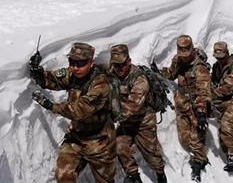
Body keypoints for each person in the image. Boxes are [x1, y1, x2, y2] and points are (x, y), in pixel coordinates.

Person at [29, 42, 117, 183]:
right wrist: (36, 70)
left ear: (91, 63)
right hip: (76, 138)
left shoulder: (101, 84)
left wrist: (50, 105)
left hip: (100, 143)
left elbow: (78, 110)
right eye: (72, 62)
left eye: (81, 63)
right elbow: (50, 80)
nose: (75, 67)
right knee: (63, 176)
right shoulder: (72, 74)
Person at [109, 44, 166, 183]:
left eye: (122, 65)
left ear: (128, 61)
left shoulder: (140, 80)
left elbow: (132, 106)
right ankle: (134, 176)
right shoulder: (112, 72)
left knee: (152, 155)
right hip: (126, 123)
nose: (119, 69)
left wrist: (111, 116)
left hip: (143, 121)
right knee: (118, 145)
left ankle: (160, 175)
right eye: (115, 65)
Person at [158, 35, 211, 182]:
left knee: (197, 137)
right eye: (182, 54)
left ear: (192, 49)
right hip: (182, 105)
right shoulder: (178, 59)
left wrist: (201, 113)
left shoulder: (199, 68)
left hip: (196, 107)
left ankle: (198, 165)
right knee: (184, 138)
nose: (185, 57)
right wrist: (159, 72)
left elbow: (203, 92)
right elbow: (172, 73)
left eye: (187, 54)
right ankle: (199, 154)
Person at [210, 41, 233, 172]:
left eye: (221, 57)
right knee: (222, 130)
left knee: (226, 124)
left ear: (227, 54)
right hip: (221, 102)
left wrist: (212, 93)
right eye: (217, 57)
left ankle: (232, 155)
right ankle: (227, 152)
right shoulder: (217, 66)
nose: (219, 59)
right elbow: (213, 82)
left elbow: (228, 88)